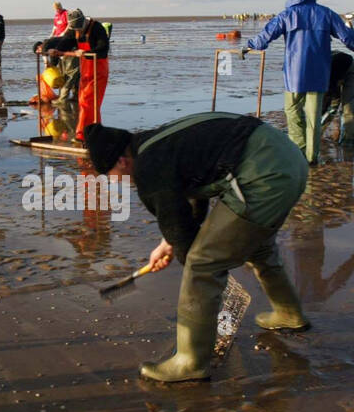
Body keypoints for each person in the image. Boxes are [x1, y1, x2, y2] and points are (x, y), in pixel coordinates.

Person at [83, 113, 311, 383]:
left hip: (265, 175)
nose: (113, 181)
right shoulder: (155, 144)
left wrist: (187, 254)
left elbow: (185, 237)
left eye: (109, 175)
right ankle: (288, 313)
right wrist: (166, 244)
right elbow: (192, 197)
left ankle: (190, 361)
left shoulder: (147, 170)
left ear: (121, 161)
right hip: (289, 159)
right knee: (257, 246)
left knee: (202, 264)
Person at [246, 0, 354, 165]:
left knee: (293, 113)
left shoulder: (286, 15)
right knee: (313, 118)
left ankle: (299, 153)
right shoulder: (326, 13)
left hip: (294, 75)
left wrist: (248, 47)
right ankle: (312, 159)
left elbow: (266, 36)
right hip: (319, 75)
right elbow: (348, 37)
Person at [43, 8, 109, 142]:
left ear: (84, 21)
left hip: (98, 71)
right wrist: (56, 51)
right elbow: (66, 42)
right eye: (75, 29)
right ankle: (96, 133)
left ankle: (82, 135)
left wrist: (87, 53)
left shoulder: (97, 28)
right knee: (84, 102)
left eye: (80, 28)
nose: (78, 32)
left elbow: (103, 49)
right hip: (85, 71)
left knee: (88, 102)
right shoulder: (74, 30)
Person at [323, 51, 354, 145]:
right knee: (331, 108)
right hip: (336, 72)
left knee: (347, 106)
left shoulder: (326, 72)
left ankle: (348, 140)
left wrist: (323, 110)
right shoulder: (315, 70)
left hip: (351, 70)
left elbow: (329, 95)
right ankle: (318, 135)